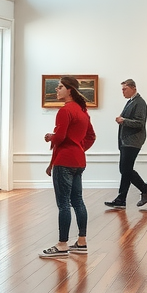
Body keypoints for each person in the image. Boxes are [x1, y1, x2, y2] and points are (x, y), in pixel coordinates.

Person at [40, 75, 95, 258]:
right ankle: (81, 242)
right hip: (78, 161)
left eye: (60, 87)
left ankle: (62, 245)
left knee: (63, 204)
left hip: (64, 161)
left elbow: (60, 137)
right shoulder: (83, 111)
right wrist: (78, 148)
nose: (57, 90)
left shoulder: (65, 111)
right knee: (78, 201)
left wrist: (50, 136)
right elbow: (91, 136)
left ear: (69, 90)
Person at [106, 78, 147, 208]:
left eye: (124, 89)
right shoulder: (131, 102)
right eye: (122, 89)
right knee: (125, 170)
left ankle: (144, 189)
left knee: (125, 169)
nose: (123, 92)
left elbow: (140, 123)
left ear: (133, 88)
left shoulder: (139, 102)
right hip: (126, 141)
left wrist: (123, 121)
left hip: (132, 141)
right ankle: (121, 199)